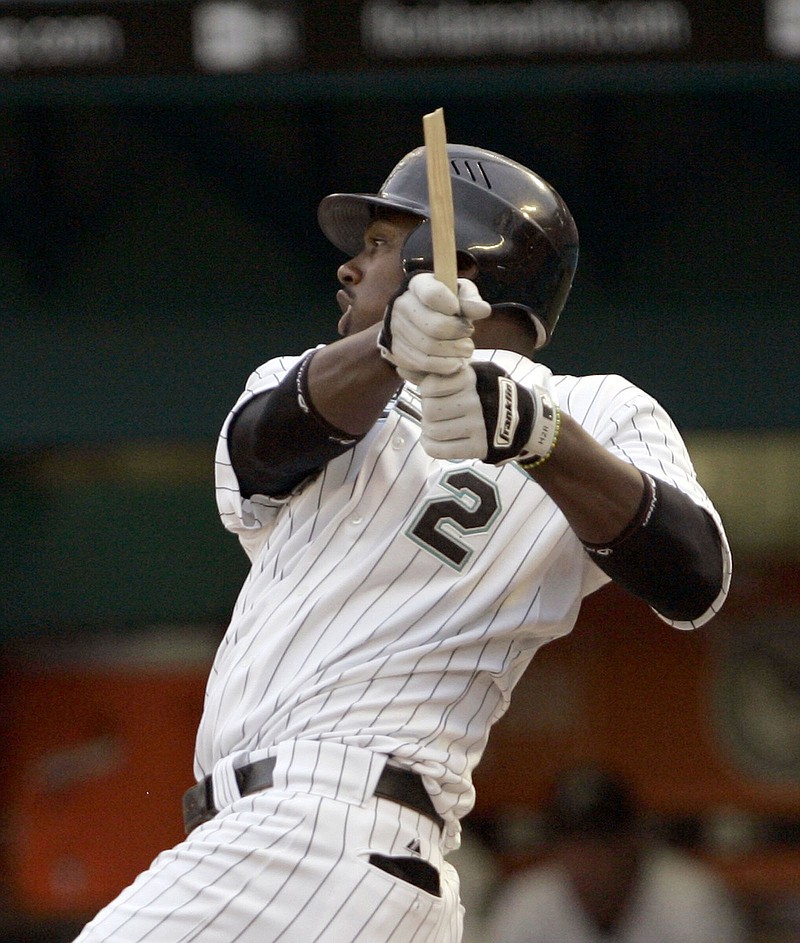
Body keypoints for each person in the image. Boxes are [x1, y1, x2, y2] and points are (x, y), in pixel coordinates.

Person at [73, 143, 731, 942]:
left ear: (457, 257)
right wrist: (395, 343)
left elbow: (696, 574)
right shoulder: (312, 379)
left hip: (320, 833)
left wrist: (538, 436)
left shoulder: (595, 407)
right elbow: (261, 447)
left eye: (380, 244)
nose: (350, 268)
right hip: (296, 855)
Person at [484, 764, 747, 943]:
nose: (587, 860)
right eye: (574, 844)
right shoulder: (526, 905)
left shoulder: (691, 902)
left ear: (633, 840)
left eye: (601, 842)